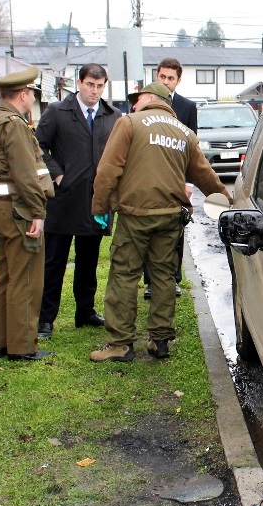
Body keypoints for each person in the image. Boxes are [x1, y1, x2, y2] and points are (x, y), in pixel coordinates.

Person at [89, 82, 231, 362]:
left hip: (135, 215)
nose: (133, 104)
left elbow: (108, 168)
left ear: (151, 98)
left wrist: (99, 206)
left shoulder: (129, 123)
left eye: (137, 98)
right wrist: (228, 201)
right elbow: (205, 175)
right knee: (164, 276)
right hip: (170, 217)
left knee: (124, 275)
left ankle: (120, 343)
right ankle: (160, 340)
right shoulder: (185, 133)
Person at [36, 63, 119, 339]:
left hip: (96, 201)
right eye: (89, 85)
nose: (94, 91)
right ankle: (45, 319)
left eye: (99, 86)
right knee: (54, 262)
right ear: (79, 83)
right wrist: (58, 175)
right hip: (63, 201)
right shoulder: (57, 112)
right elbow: (38, 148)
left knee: (89, 260)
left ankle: (85, 311)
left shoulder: (113, 116)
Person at [0, 68, 55, 361]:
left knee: (7, 276)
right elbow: (26, 174)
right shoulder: (13, 124)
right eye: (32, 94)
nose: (32, 99)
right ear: (23, 94)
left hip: (0, 208)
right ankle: (23, 347)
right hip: (18, 208)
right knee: (26, 278)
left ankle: (2, 342)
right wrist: (38, 212)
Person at [142, 57, 198, 300]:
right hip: (150, 176)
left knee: (176, 228)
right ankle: (150, 281)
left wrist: (189, 182)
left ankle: (173, 278)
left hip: (176, 177)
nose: (166, 82)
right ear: (156, 76)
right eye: (162, 77)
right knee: (148, 228)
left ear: (178, 80)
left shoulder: (187, 107)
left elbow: (191, 148)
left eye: (170, 78)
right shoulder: (145, 103)